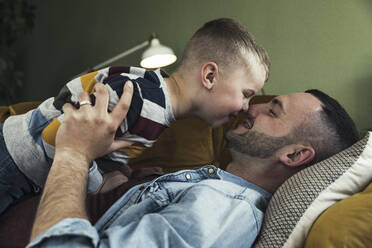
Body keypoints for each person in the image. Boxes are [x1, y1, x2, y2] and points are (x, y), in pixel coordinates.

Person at [27, 82, 359, 247]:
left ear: (295, 155)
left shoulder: (223, 211)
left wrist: (74, 153)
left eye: (272, 111)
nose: (250, 109)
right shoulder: (213, 189)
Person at [0, 18, 270, 214]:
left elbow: (103, 146)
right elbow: (57, 137)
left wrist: (125, 171)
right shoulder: (141, 102)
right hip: (13, 162)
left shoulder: (153, 96)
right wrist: (101, 183)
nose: (246, 107)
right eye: (246, 93)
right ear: (210, 76)